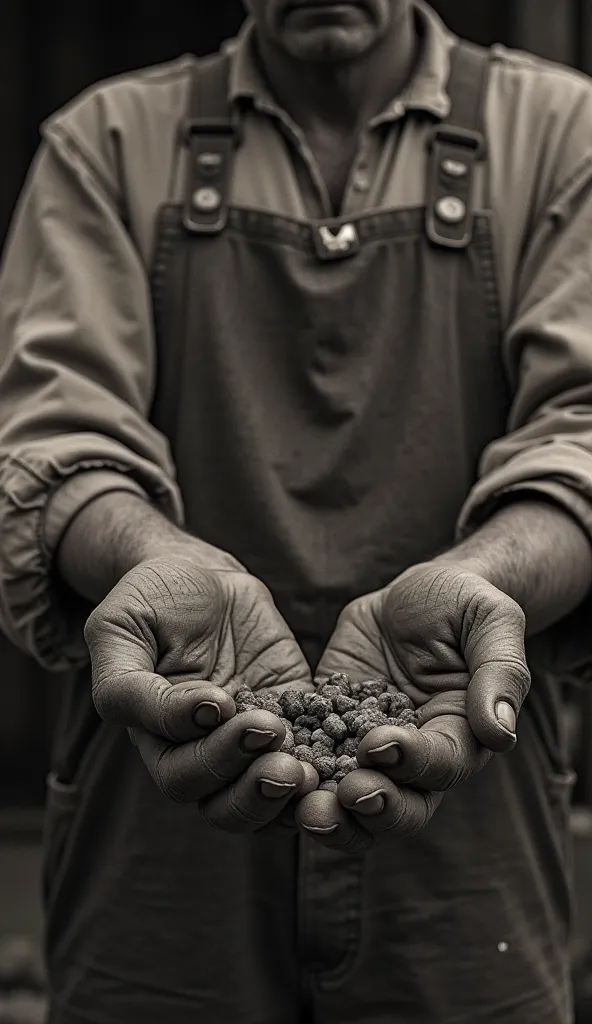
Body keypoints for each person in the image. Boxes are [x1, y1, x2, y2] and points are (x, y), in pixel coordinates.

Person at [1, 0, 592, 1020]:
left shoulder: (562, 133)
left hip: (465, 828)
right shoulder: (105, 142)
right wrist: (150, 556)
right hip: (159, 832)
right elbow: (53, 435)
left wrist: (485, 578)